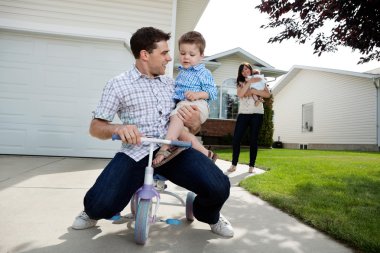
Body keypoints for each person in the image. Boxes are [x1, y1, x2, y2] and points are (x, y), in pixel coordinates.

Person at [71, 27, 234, 238]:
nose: (169, 58)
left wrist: (194, 123)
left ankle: (210, 216)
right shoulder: (118, 84)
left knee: (219, 186)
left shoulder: (173, 84)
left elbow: (191, 126)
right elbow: (96, 127)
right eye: (164, 53)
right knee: (100, 203)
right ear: (145, 54)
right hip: (136, 152)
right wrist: (119, 128)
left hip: (173, 151)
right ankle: (91, 213)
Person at [153, 31, 218, 165]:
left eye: (192, 54)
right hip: (184, 104)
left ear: (201, 55)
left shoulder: (203, 72)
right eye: (183, 53)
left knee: (175, 117)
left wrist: (197, 95)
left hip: (197, 103)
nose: (186, 57)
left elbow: (212, 92)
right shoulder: (182, 72)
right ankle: (207, 154)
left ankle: (165, 146)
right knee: (182, 133)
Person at [227, 62, 271, 173]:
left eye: (246, 69)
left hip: (257, 113)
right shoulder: (240, 82)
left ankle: (251, 166)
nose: (245, 71)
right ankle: (234, 164)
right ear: (240, 73)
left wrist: (253, 91)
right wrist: (249, 83)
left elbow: (267, 94)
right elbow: (240, 94)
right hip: (243, 114)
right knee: (236, 139)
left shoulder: (259, 79)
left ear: (250, 69)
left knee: (253, 140)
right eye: (242, 70)